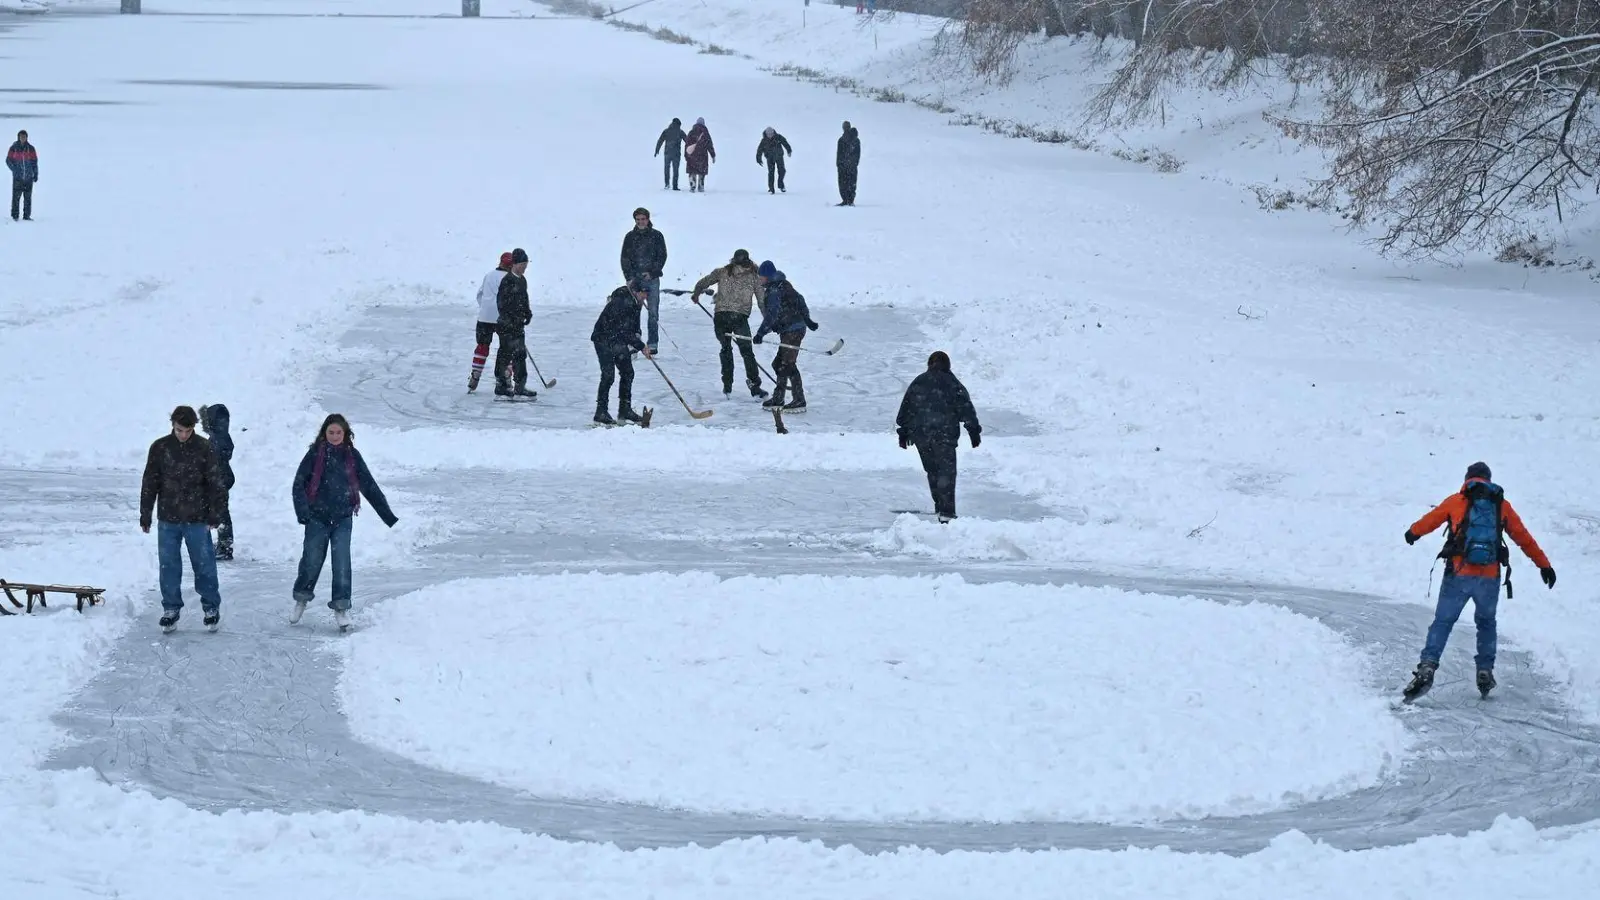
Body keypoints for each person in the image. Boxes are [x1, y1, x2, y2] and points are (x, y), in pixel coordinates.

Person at [1401, 461, 1556, 701]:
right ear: (1489, 480)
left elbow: (1430, 521)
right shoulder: (1501, 505)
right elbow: (1524, 538)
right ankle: (1485, 670)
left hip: (1458, 574)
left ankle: (1428, 666)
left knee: (1443, 622)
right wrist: (1543, 565)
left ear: (1468, 479)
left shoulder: (1456, 501)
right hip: (1489, 578)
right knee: (1486, 623)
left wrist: (1413, 532)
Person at [290, 414, 398, 630]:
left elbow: (368, 485)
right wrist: (303, 513)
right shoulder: (315, 454)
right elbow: (298, 483)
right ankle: (301, 599)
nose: (335, 436)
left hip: (342, 518)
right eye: (331, 432)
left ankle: (341, 608)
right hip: (317, 517)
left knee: (341, 563)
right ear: (324, 433)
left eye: (339, 432)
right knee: (311, 561)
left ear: (345, 433)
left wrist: (387, 515)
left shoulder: (352, 456)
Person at [139, 405, 227, 632]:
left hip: (198, 518)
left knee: (204, 564)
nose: (183, 435)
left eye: (187, 431)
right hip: (168, 518)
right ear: (172, 426)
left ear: (194, 428)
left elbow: (216, 483)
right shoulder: (160, 448)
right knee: (168, 565)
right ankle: (170, 608)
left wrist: (215, 513)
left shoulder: (204, 448)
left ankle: (211, 607)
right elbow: (150, 482)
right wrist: (145, 513)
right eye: (179, 430)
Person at [895, 352, 981, 524]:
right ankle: (946, 511)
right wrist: (973, 431)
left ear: (929, 364)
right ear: (948, 365)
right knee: (946, 473)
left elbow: (906, 409)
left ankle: (939, 505)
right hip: (944, 436)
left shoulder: (919, 381)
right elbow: (965, 408)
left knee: (933, 472)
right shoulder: (952, 383)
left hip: (922, 436)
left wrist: (904, 433)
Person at [691, 249, 767, 397]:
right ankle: (754, 384)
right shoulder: (754, 276)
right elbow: (762, 301)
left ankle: (727, 385)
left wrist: (696, 293)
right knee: (746, 351)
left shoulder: (723, 271)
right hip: (738, 318)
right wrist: (768, 321)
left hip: (721, 317)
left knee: (726, 349)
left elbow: (703, 282)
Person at [753, 260, 818, 413]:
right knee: (779, 364)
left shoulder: (775, 289)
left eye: (761, 277)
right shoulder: (782, 284)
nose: (760, 279)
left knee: (784, 365)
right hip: (791, 329)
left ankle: (787, 399)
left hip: (793, 331)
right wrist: (807, 320)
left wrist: (761, 333)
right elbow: (799, 300)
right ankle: (792, 398)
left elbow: (772, 314)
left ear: (768, 277)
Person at [591, 280, 652, 425]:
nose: (645, 298)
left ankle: (625, 409)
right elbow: (623, 329)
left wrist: (638, 337)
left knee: (627, 372)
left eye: (646, 295)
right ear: (636, 291)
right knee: (608, 375)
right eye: (644, 294)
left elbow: (634, 326)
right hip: (603, 338)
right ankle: (601, 412)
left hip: (618, 339)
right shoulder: (622, 301)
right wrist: (641, 346)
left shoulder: (637, 302)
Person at [619, 207, 667, 352]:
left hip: (651, 279)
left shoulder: (657, 236)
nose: (640, 222)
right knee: (633, 311)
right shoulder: (630, 237)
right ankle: (634, 340)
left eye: (643, 219)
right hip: (635, 279)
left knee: (653, 312)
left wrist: (652, 273)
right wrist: (629, 277)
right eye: (638, 219)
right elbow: (625, 258)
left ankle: (652, 343)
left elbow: (662, 256)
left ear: (648, 219)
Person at [495, 248, 535, 399]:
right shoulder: (507, 281)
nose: (525, 267)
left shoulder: (522, 280)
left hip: (518, 325)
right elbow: (501, 304)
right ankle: (501, 385)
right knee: (505, 355)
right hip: (506, 325)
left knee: (520, 354)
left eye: (526, 264)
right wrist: (509, 320)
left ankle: (520, 385)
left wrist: (527, 313)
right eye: (523, 264)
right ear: (515, 264)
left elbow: (524, 300)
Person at [469, 251, 511, 392]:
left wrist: (486, 309)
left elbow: (479, 295)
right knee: (507, 348)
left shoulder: (489, 275)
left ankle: (476, 374)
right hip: (503, 319)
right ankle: (506, 376)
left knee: (482, 346)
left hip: (485, 317)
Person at [199, 404, 236, 560]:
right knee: (220, 512)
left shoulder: (218, 439)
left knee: (221, 513)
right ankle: (223, 544)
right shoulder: (219, 436)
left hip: (219, 480)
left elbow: (217, 460)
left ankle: (225, 546)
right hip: (221, 479)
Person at [7, 129, 38, 221]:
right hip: (18, 178)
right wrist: (14, 170)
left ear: (27, 138)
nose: (23, 138)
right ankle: (15, 215)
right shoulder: (14, 148)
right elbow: (8, 160)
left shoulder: (31, 148)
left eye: (24, 137)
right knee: (16, 197)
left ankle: (26, 216)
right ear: (18, 137)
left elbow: (34, 162)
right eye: (21, 137)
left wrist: (35, 173)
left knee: (28, 198)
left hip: (29, 177)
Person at [756, 127, 792, 194]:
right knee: (771, 173)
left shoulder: (778, 137)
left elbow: (785, 143)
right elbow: (759, 150)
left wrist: (789, 150)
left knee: (782, 171)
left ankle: (781, 185)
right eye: (768, 134)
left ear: (773, 132)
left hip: (779, 157)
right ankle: (771, 188)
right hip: (770, 158)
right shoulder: (764, 140)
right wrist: (758, 158)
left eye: (771, 133)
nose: (770, 135)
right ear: (766, 134)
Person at [684, 117, 716, 192]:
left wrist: (686, 155)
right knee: (702, 172)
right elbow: (710, 145)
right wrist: (713, 155)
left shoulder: (691, 132)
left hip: (692, 156)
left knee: (692, 171)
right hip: (702, 156)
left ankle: (692, 185)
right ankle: (701, 186)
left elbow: (687, 145)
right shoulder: (706, 133)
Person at [655, 117, 686, 190]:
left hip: (667, 153)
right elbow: (687, 140)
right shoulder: (680, 131)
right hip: (676, 154)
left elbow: (660, 140)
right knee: (676, 170)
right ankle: (675, 186)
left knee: (666, 169)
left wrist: (657, 150)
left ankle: (667, 184)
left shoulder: (666, 131)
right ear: (678, 124)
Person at [836, 121, 860, 206]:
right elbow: (839, 155)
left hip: (849, 166)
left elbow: (857, 154)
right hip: (845, 166)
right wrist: (839, 164)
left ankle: (849, 200)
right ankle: (846, 200)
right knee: (846, 184)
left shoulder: (855, 140)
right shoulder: (841, 140)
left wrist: (852, 163)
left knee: (849, 184)